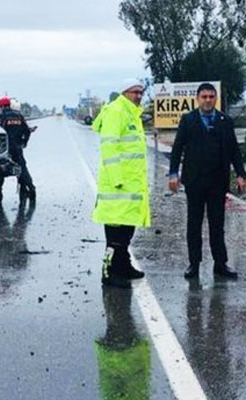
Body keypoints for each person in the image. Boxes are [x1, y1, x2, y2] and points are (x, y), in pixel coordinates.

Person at [168, 83, 246, 280]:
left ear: (215, 98)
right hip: (194, 181)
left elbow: (234, 150)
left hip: (217, 182)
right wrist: (173, 174)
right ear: (198, 98)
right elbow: (177, 148)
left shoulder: (225, 121)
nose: (208, 100)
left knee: (217, 224)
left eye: (211, 96)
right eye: (204, 96)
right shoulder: (188, 120)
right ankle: (194, 264)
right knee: (194, 224)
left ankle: (220, 264)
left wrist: (240, 174)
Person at [92, 78, 151, 289]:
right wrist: (117, 179)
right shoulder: (116, 112)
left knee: (126, 232)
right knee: (116, 236)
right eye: (135, 92)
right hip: (117, 186)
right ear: (124, 93)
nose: (138, 96)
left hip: (130, 185)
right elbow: (109, 147)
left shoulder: (131, 113)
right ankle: (110, 272)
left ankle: (124, 266)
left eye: (140, 93)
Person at [0, 97, 36, 201]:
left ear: (1, 106)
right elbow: (27, 130)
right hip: (17, 148)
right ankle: (30, 188)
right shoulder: (19, 116)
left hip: (5, 149)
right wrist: (24, 142)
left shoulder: (2, 116)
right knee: (22, 168)